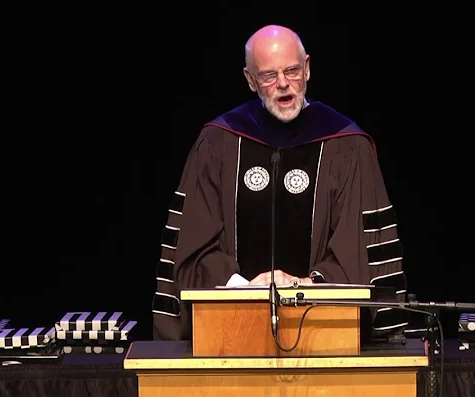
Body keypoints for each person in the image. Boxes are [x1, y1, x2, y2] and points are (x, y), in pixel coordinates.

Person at [152, 25, 408, 341]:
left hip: (324, 334)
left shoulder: (346, 145)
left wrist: (310, 283)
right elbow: (192, 247)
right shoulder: (218, 143)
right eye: (269, 76)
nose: (284, 84)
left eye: (292, 71)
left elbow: (359, 250)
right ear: (249, 79)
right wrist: (243, 287)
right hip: (231, 333)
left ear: (308, 68)